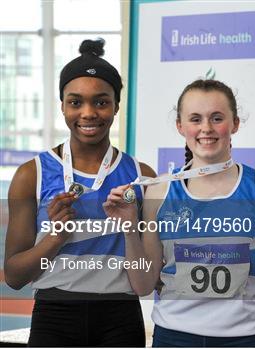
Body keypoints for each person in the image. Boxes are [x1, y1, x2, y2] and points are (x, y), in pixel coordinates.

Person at [103, 79, 255, 347]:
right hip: (173, 337)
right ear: (181, 126)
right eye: (195, 119)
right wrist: (130, 228)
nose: (206, 128)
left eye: (217, 118)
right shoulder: (159, 193)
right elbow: (144, 285)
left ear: (235, 123)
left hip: (244, 339)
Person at [4, 38, 155, 346]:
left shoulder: (142, 177)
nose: (89, 113)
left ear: (116, 105)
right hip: (54, 313)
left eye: (101, 102)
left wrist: (130, 230)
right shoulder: (31, 174)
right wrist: (55, 237)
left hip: (120, 315)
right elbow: (15, 276)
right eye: (76, 102)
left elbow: (148, 278)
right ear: (62, 105)